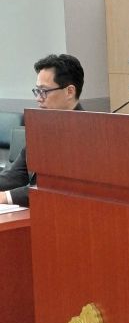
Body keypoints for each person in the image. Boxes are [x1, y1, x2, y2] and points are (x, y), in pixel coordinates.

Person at [0, 53, 84, 207]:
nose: (38, 98)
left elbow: (54, 188)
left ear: (70, 91)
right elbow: (16, 175)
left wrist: (5, 197)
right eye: (37, 91)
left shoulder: (89, 134)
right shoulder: (41, 128)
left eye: (44, 91)